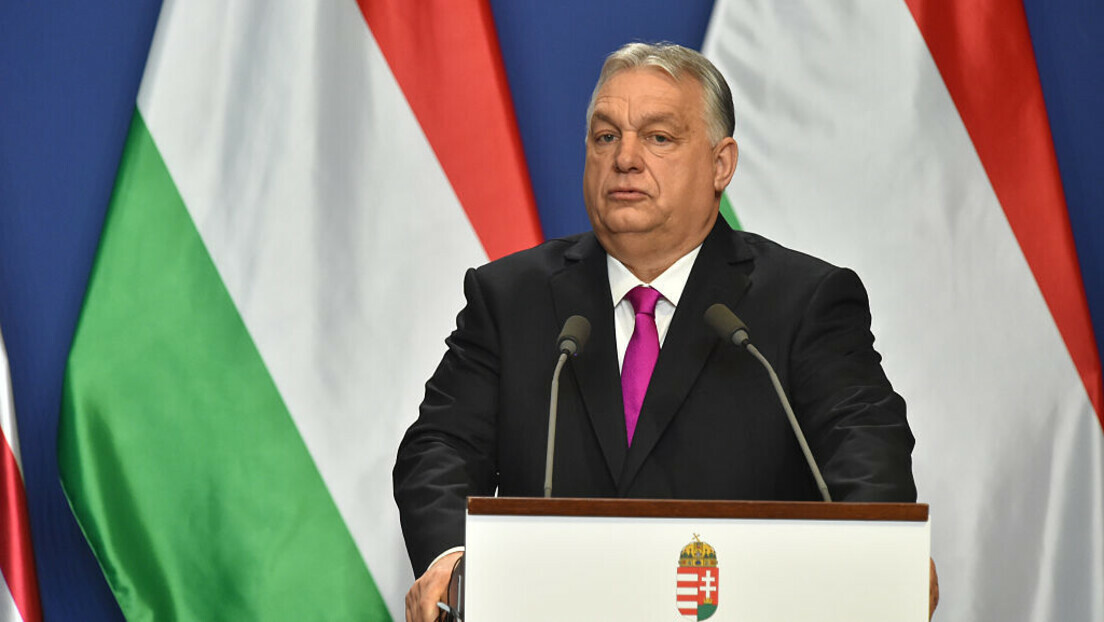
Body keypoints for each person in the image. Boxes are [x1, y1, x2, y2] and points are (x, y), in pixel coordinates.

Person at [394, 42, 933, 622]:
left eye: (658, 137)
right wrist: (453, 557)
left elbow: (864, 448)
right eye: (606, 136)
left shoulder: (804, 302)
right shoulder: (510, 298)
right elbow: (440, 446)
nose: (625, 158)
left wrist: (882, 551)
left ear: (721, 164)